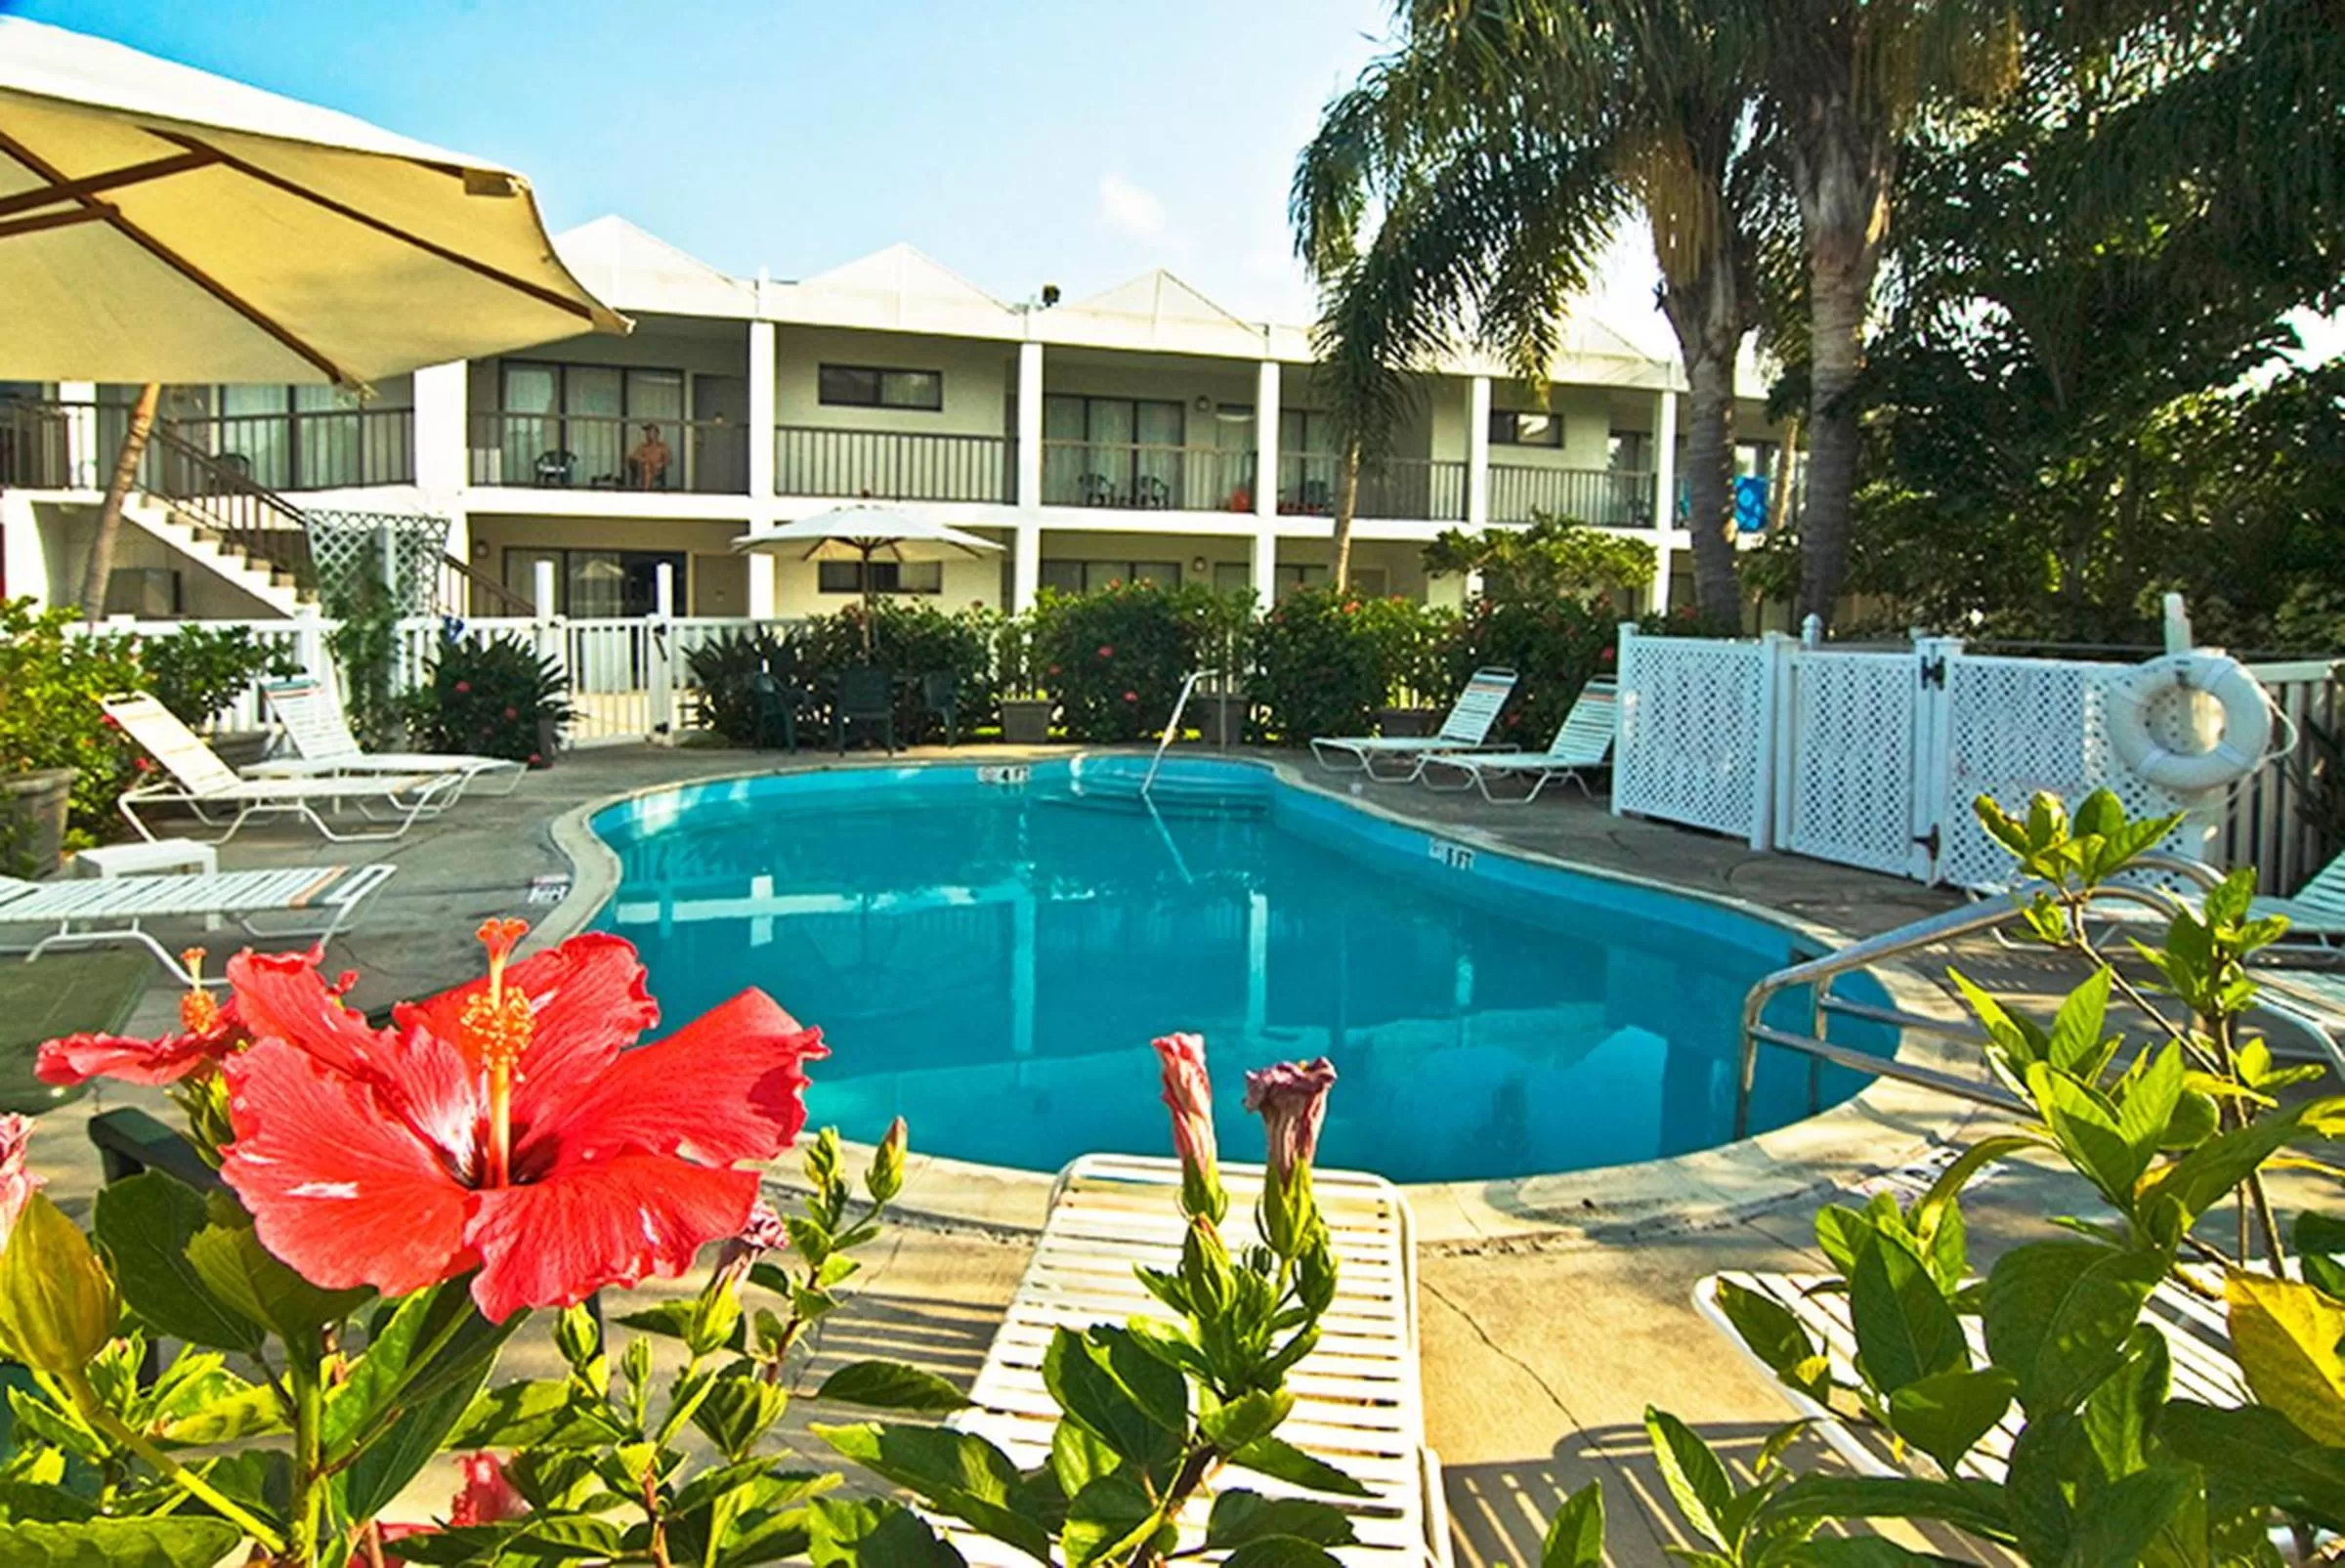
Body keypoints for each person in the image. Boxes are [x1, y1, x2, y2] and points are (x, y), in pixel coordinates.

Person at [628, 422, 670, 489]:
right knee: (646, 466)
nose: (647, 434)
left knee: (648, 467)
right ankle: (645, 488)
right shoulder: (643, 446)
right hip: (643, 470)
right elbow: (634, 456)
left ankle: (647, 490)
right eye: (646, 432)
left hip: (656, 470)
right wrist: (645, 460)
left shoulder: (662, 447)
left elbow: (668, 460)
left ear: (656, 434)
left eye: (649, 432)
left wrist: (661, 464)